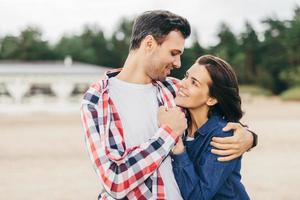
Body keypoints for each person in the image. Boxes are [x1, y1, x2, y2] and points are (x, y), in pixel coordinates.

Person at [80, 10, 256, 200]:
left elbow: (214, 117)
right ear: (149, 44)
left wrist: (249, 137)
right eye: (173, 53)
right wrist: (168, 133)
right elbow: (114, 182)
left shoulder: (174, 90)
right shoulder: (97, 100)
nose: (178, 63)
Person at [170, 55, 250, 199]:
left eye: (194, 83)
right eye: (186, 76)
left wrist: (179, 148)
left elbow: (198, 197)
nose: (182, 84)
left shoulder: (222, 135)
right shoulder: (181, 123)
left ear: (211, 99)